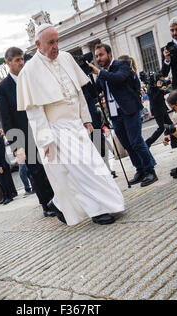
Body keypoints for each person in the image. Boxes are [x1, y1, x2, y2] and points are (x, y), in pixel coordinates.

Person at [17, 24, 124, 226]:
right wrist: (45, 140)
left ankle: (61, 204)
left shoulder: (66, 58)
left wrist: (86, 119)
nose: (56, 46)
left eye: (57, 41)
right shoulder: (29, 71)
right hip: (56, 129)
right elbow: (35, 112)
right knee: (82, 170)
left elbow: (78, 93)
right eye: (51, 42)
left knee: (93, 165)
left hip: (76, 123)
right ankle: (98, 210)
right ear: (38, 44)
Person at [0, 46, 57, 217]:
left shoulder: (31, 79)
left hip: (41, 129)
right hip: (24, 135)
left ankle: (59, 198)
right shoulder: (2, 88)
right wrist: (16, 146)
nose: (21, 63)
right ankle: (47, 204)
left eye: (22, 59)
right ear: (8, 63)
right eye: (17, 60)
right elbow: (6, 119)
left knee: (51, 165)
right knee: (36, 171)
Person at [90, 43, 158, 187]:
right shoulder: (102, 73)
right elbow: (95, 91)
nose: (98, 58)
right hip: (115, 114)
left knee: (136, 141)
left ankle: (150, 170)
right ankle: (140, 169)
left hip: (129, 110)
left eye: (101, 55)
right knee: (127, 144)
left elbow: (119, 78)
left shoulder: (121, 65)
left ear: (109, 53)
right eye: (96, 56)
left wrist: (100, 73)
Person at [144, 79, 177, 149]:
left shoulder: (157, 85)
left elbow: (164, 83)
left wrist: (169, 84)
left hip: (163, 109)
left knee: (170, 126)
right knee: (161, 128)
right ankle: (148, 143)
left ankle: (174, 143)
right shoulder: (150, 88)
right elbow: (154, 97)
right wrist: (160, 89)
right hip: (157, 111)